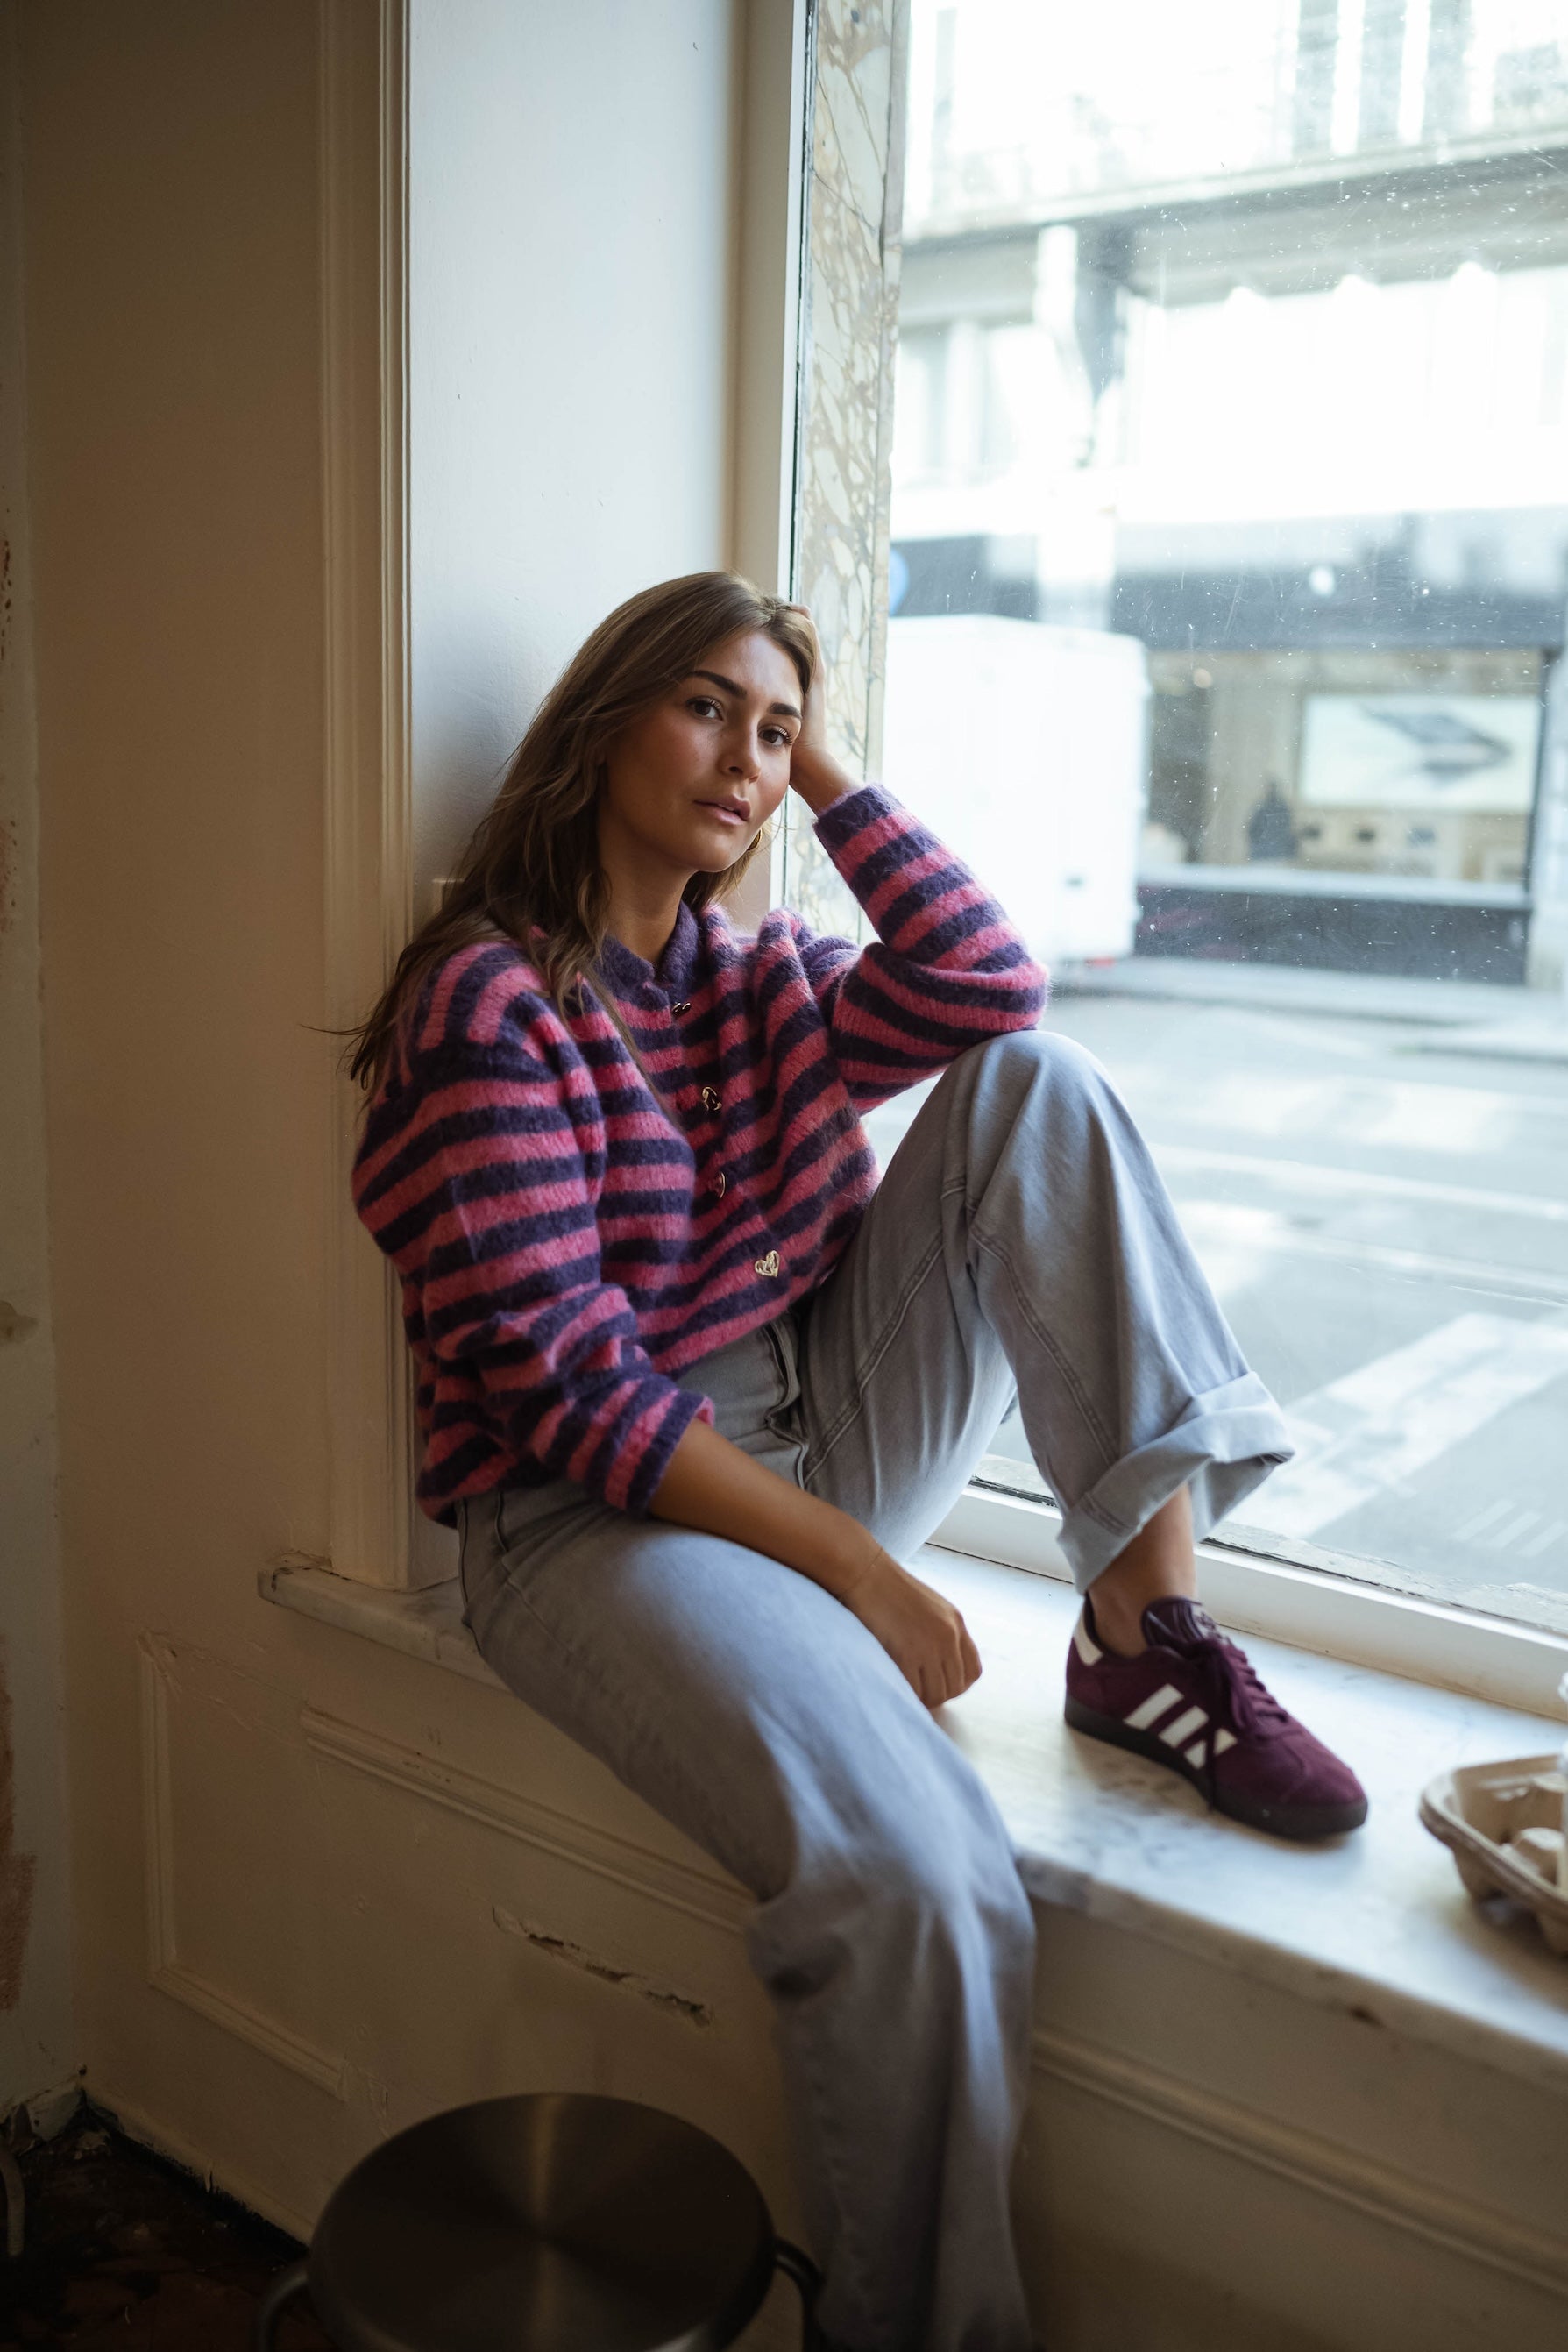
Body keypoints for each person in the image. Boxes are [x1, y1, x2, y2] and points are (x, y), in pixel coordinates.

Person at [349, 572, 1366, 2352]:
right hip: (595, 1518)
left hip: (816, 1422)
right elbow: (568, 1389)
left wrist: (819, 769)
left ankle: (1146, 1647)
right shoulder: (487, 1003)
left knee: (1034, 1085)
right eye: (704, 710)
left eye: (774, 724)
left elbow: (989, 982)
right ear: (602, 722)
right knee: (918, 1878)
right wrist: (854, 1561)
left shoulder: (757, 978)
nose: (746, 756)